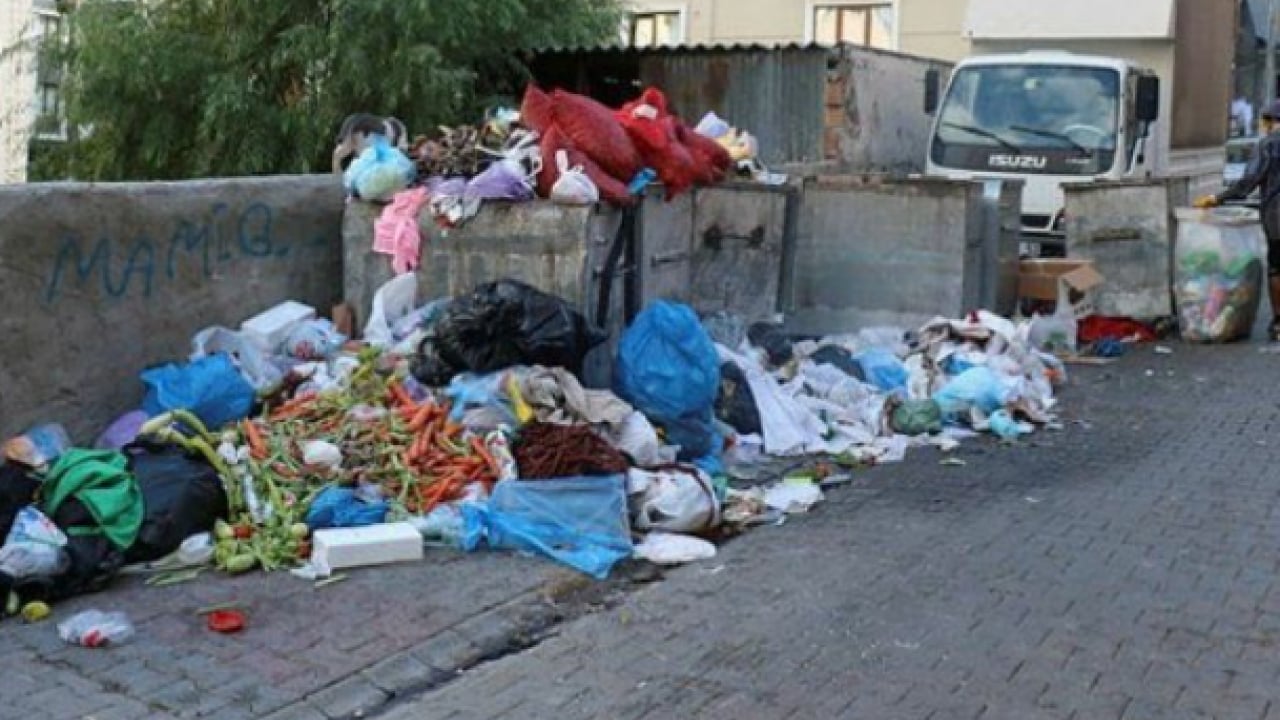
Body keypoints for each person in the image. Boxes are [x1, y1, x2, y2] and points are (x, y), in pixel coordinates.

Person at [1197, 100, 1280, 340]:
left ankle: (1278, 323)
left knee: (1277, 267)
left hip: (1276, 217)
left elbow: (1248, 182)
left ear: (1269, 121)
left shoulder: (1268, 144)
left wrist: (1217, 198)